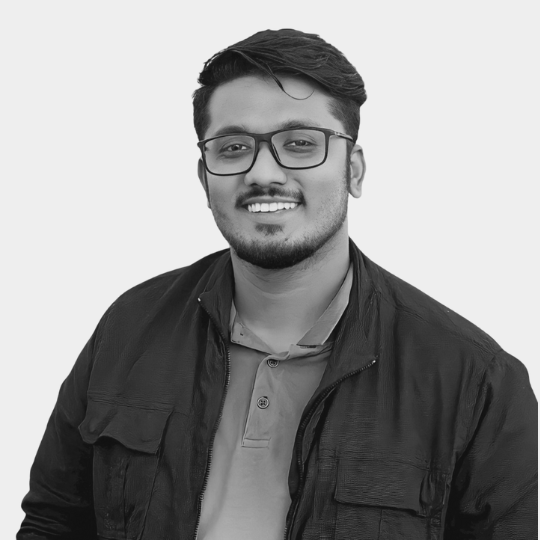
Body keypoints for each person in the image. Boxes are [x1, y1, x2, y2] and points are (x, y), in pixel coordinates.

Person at [17, 28, 537, 540]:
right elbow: (53, 523)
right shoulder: (130, 327)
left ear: (354, 171)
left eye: (301, 143)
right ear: (204, 179)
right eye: (233, 147)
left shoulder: (475, 379)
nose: (263, 173)